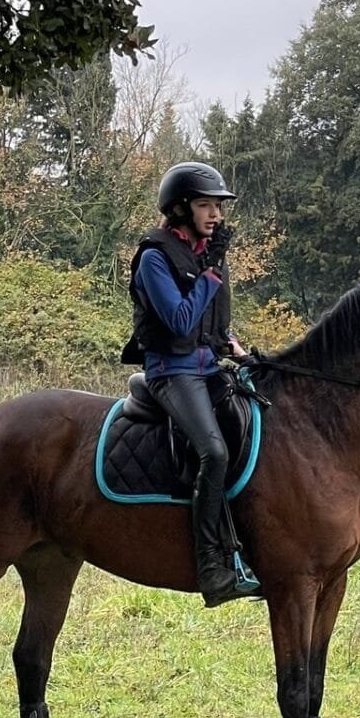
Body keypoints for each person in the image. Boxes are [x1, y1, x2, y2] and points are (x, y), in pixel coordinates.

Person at [124, 161, 261, 608]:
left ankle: (252, 547)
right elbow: (180, 318)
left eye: (219, 207)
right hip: (172, 371)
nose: (216, 215)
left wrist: (236, 347)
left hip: (208, 366)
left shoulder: (204, 253)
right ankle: (211, 566)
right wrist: (213, 272)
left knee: (259, 426)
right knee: (214, 451)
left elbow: (213, 322)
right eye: (206, 205)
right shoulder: (154, 258)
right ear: (181, 208)